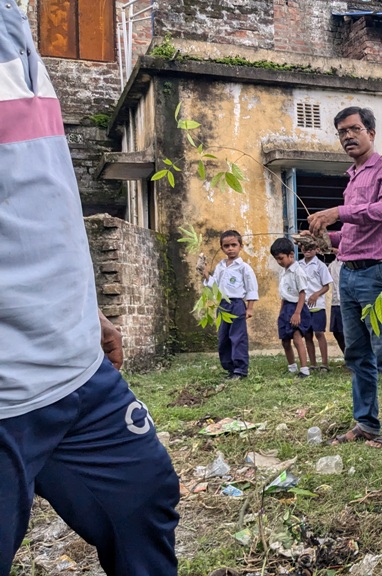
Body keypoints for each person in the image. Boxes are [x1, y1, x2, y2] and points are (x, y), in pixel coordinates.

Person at [0, 7, 180, 574]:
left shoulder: (12, 25)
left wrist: (85, 307)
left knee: (143, 497)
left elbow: (36, 191)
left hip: (75, 367)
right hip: (7, 393)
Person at [308, 106, 382, 449]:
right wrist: (325, 238)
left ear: (371, 132)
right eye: (341, 132)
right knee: (356, 353)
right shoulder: (353, 176)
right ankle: (366, 422)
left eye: (354, 129)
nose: (347, 137)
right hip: (350, 273)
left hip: (379, 272)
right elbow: (354, 233)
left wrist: (338, 213)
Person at [202, 229, 259, 380]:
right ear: (222, 248)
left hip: (237, 305)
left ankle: (240, 370)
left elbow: (251, 287)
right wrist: (207, 275)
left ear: (240, 246)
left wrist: (250, 308)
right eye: (227, 246)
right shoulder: (221, 266)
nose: (230, 249)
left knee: (238, 337)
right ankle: (230, 368)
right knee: (224, 337)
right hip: (222, 306)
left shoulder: (243, 268)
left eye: (234, 245)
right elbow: (215, 286)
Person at [271, 238, 312, 378]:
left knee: (296, 337)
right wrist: (281, 313)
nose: (279, 262)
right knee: (285, 339)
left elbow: (302, 293)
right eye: (276, 259)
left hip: (297, 307)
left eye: (281, 258)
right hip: (286, 308)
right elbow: (284, 295)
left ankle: (304, 369)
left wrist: (297, 313)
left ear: (291, 254)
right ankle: (292, 367)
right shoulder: (284, 271)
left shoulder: (298, 272)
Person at [299, 243, 334, 372]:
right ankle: (313, 364)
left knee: (319, 333)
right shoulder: (299, 265)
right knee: (307, 335)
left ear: (316, 250)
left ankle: (324, 363)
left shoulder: (320, 265)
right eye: (304, 248)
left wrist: (316, 294)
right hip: (304, 306)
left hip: (318, 305)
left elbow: (326, 286)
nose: (307, 251)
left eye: (310, 248)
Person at [328, 253, 345, 357]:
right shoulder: (332, 265)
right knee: (337, 332)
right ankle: (348, 357)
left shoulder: (348, 264)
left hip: (346, 302)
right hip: (335, 302)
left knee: (347, 333)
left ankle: (355, 360)